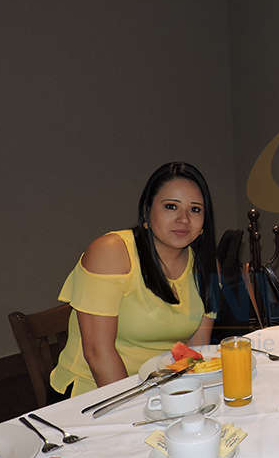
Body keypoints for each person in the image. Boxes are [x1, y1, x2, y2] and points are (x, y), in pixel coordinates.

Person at [50, 162, 220, 397]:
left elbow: (193, 351)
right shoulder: (111, 252)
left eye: (195, 210)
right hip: (93, 397)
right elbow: (98, 353)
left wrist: (185, 400)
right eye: (171, 206)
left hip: (160, 391)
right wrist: (135, 408)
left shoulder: (206, 265)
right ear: (147, 210)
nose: (184, 219)